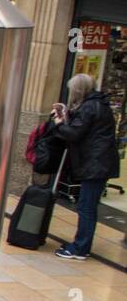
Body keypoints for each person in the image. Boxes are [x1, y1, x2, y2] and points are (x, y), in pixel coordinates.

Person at [51, 73, 120, 260]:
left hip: (96, 164)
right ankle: (81, 245)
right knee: (87, 206)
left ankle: (80, 248)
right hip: (98, 162)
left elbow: (74, 133)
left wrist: (58, 123)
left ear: (78, 90)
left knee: (87, 207)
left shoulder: (90, 107)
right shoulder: (97, 104)